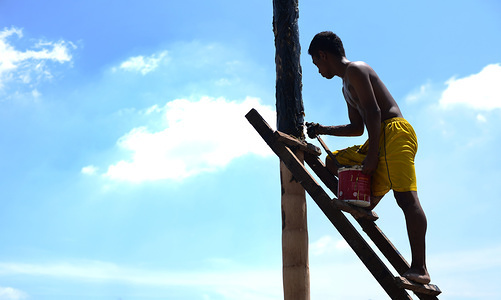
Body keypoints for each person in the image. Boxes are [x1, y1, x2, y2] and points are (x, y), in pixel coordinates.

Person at [306, 31, 430, 284]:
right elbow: (357, 127)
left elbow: (374, 112)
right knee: (334, 162)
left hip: (395, 133)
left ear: (323, 55)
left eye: (316, 63)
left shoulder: (356, 70)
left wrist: (372, 156)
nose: (318, 70)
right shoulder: (345, 85)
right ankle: (366, 201)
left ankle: (420, 268)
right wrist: (323, 130)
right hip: (376, 136)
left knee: (406, 199)